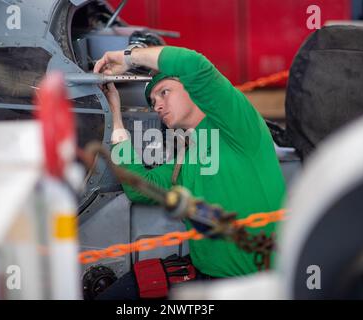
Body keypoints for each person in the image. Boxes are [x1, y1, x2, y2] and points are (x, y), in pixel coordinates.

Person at [93, 45, 286, 299]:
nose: (158, 106)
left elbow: (193, 64)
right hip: (205, 280)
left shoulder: (238, 127)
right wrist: (116, 118)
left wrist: (128, 58)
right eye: (153, 102)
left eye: (165, 92)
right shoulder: (187, 159)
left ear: (193, 90)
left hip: (253, 287)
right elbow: (138, 186)